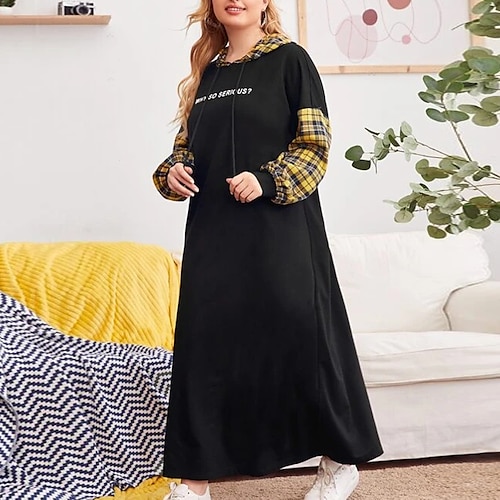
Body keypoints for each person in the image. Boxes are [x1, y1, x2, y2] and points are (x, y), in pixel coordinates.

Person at [152, 1, 383, 499]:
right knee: (204, 349)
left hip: (281, 230)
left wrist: (267, 180)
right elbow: (185, 150)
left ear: (264, 3)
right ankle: (193, 483)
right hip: (213, 233)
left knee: (302, 343)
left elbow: (314, 147)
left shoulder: (291, 60)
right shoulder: (208, 72)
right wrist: (172, 173)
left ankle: (339, 461)